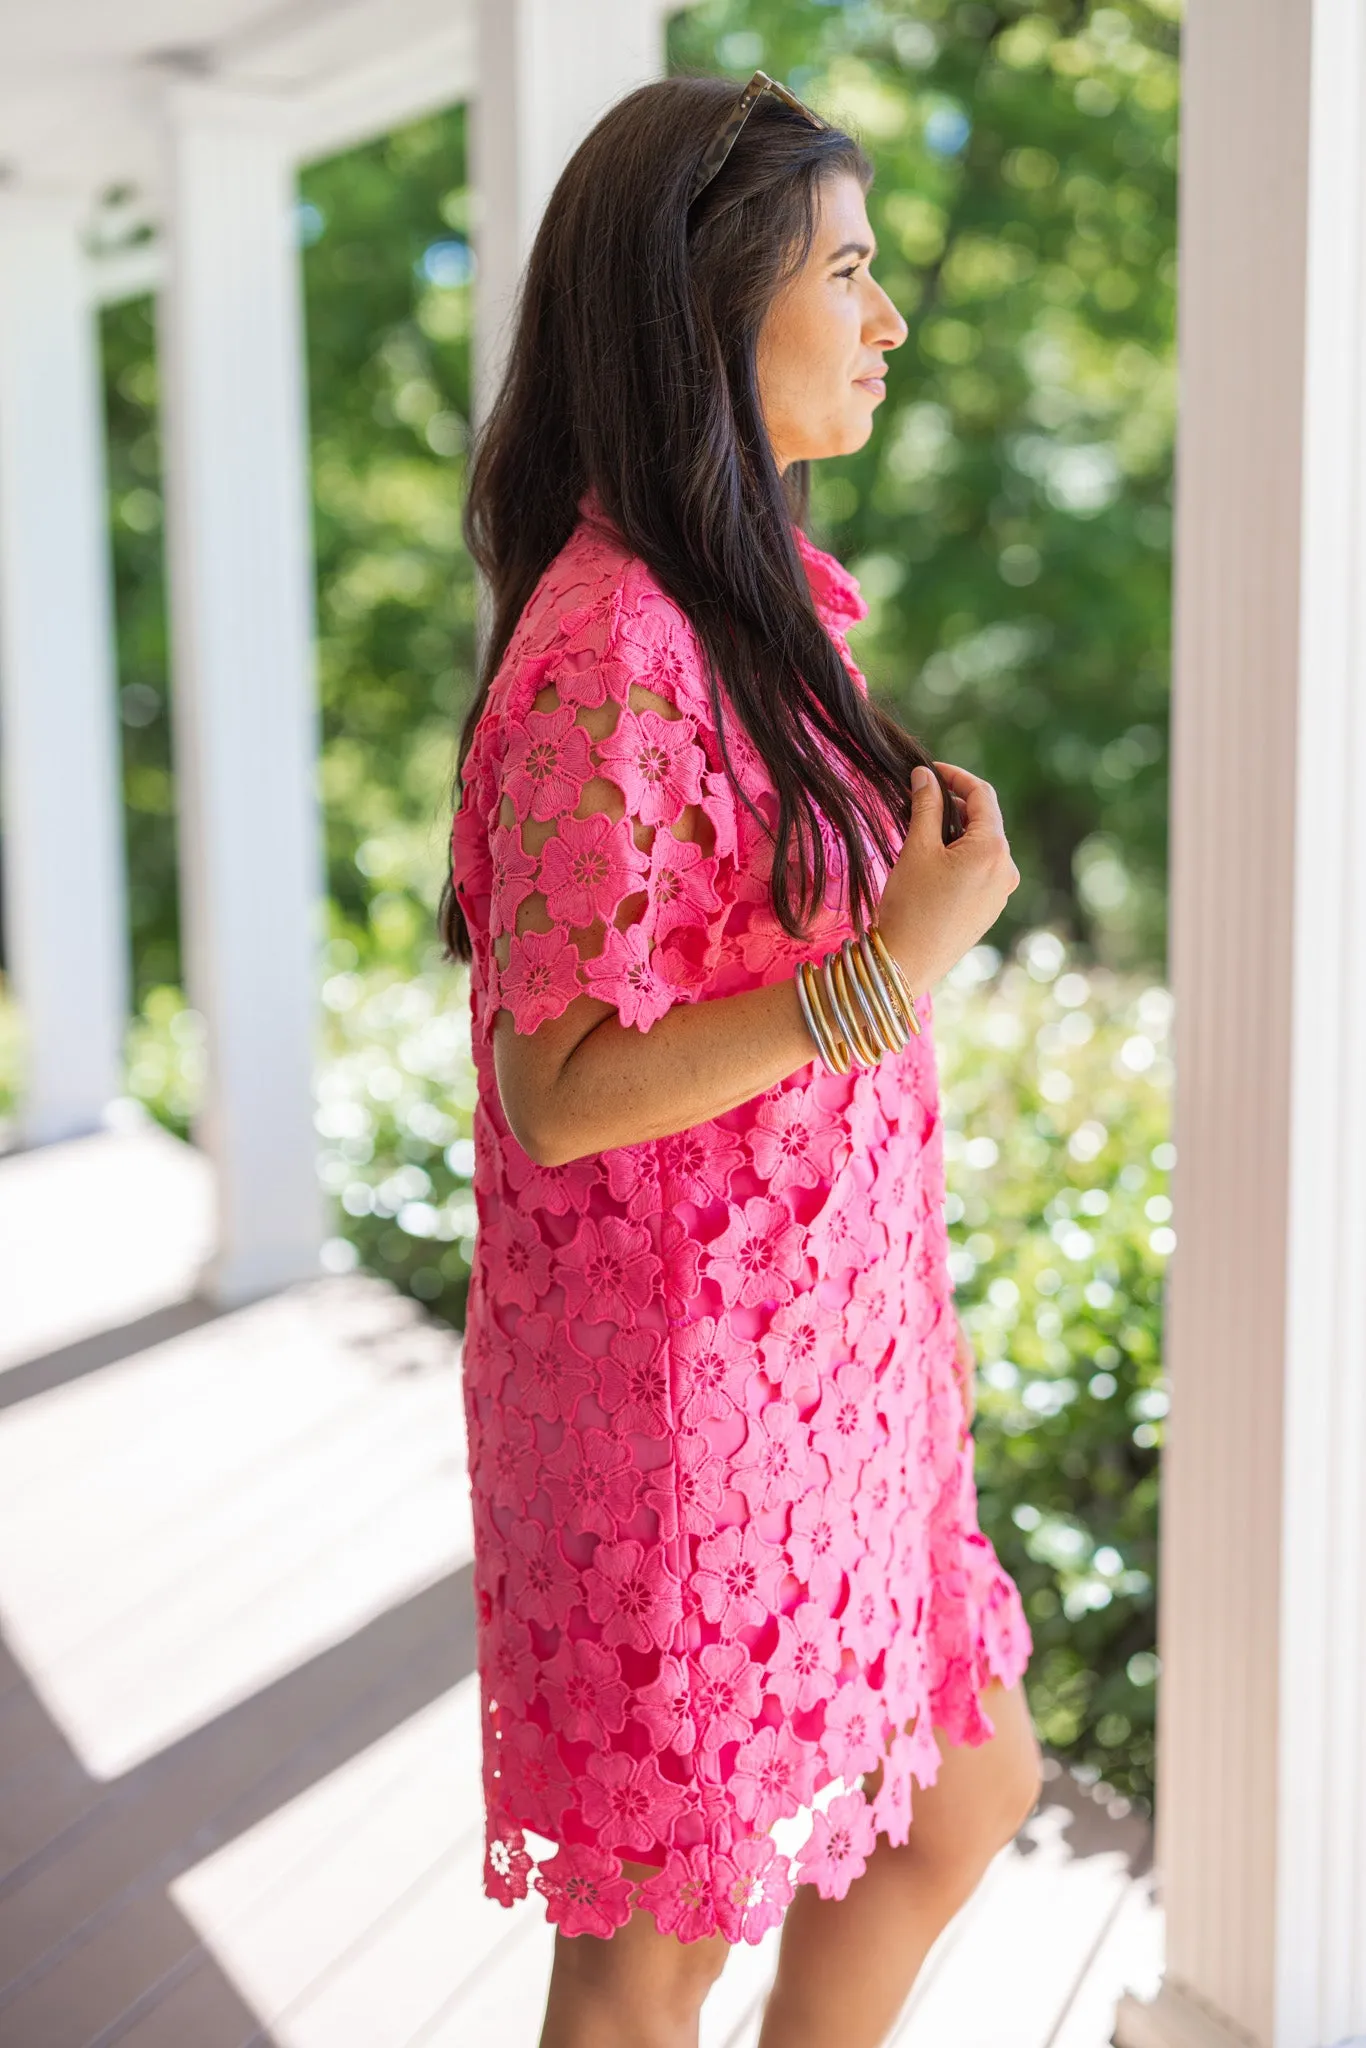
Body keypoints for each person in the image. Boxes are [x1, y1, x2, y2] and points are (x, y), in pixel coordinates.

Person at [441, 70, 1040, 2048]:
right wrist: (889, 963)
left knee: (962, 1788)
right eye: (849, 272)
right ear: (710, 311)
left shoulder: (748, 608)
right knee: (644, 1964)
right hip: (679, 1423)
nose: (887, 320)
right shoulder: (605, 650)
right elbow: (562, 1080)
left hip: (833, 1373)